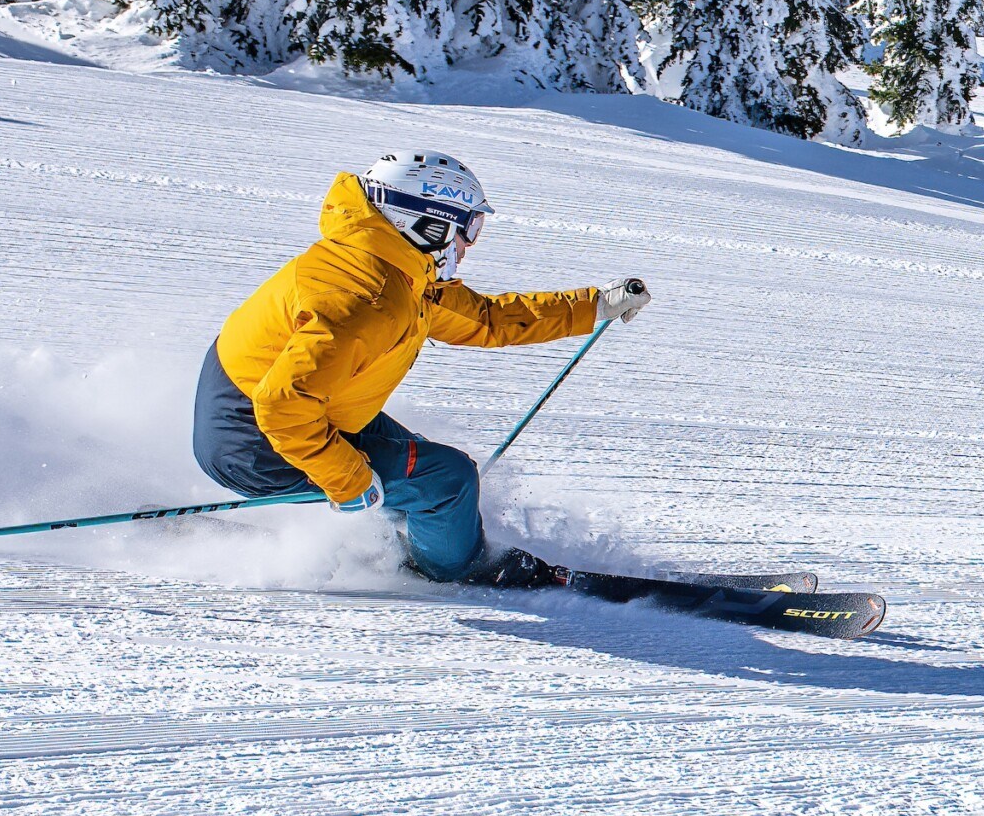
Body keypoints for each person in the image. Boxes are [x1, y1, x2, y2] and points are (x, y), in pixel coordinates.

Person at [193, 150, 650, 583]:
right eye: (468, 228)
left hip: (299, 409)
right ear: (427, 225)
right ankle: (457, 570)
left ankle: (409, 540)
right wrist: (348, 481)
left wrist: (594, 306)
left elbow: (485, 319)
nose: (469, 244)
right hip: (256, 442)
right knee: (448, 479)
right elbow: (284, 405)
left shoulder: (395, 271)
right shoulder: (368, 299)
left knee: (419, 460)